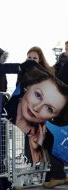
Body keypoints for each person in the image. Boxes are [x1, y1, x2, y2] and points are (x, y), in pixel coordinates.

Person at [6, 62, 68, 164]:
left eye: (49, 109)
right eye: (38, 95)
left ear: (54, 117)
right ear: (28, 86)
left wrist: (36, 151)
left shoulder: (47, 139)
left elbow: (44, 177)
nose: (36, 108)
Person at [43, 60, 68, 188]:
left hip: (62, 111)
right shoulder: (63, 63)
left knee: (53, 140)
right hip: (61, 110)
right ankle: (59, 175)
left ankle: (58, 175)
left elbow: (60, 84)